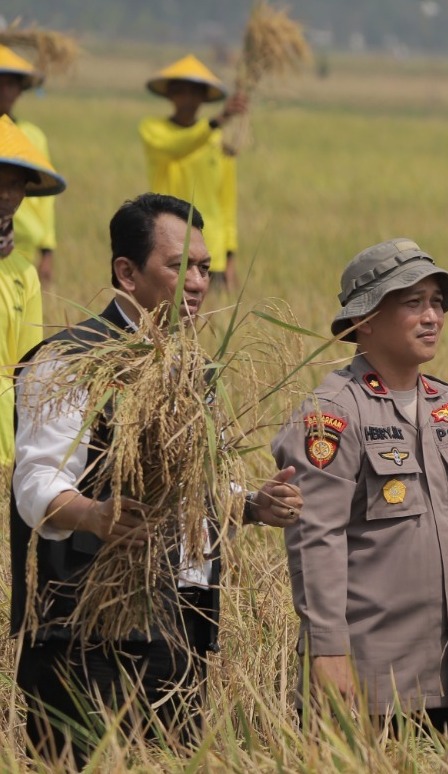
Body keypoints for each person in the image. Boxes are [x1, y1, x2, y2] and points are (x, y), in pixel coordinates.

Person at [10, 193, 303, 767]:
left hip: (180, 628)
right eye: (179, 267)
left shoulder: (191, 370)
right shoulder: (71, 361)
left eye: (203, 269)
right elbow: (36, 483)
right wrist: (93, 515)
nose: (197, 284)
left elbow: (192, 490)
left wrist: (250, 505)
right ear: (127, 271)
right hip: (85, 634)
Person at [273, 238, 448, 744]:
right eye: (412, 302)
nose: (432, 317)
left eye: (437, 302)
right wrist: (327, 653)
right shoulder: (331, 414)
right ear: (365, 321)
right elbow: (316, 540)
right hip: (367, 680)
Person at [140, 54, 245, 289]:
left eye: (195, 91)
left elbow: (227, 200)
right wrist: (219, 120)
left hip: (211, 248)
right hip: (167, 243)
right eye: (180, 90)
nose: (187, 98)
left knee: (210, 320)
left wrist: (230, 256)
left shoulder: (218, 140)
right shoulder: (153, 130)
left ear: (204, 96)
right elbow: (178, 146)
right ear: (169, 94)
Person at [0, 114, 64, 468]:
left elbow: (27, 371)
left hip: (5, 441)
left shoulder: (23, 271)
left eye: (16, 184)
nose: (7, 196)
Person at [0, 44, 58, 283]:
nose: (3, 90)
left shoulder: (33, 136)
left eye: (10, 84)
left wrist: (47, 250)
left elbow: (46, 204)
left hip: (26, 240)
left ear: (20, 90)